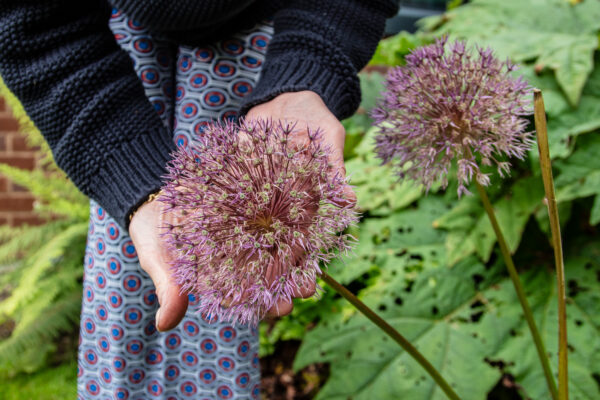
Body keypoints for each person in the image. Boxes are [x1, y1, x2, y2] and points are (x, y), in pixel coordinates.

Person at [0, 1, 398, 398]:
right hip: (115, 86)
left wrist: (308, 72)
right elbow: (32, 25)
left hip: (283, 50)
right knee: (152, 284)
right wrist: (127, 165)